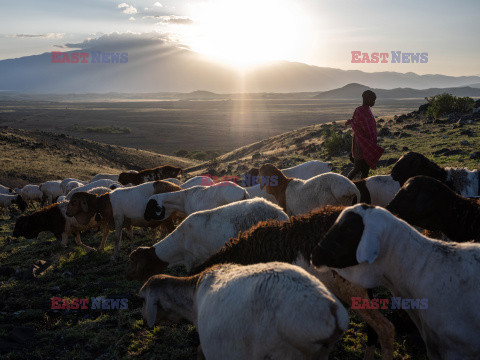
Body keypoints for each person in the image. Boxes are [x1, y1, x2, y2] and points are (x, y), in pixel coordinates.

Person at [345, 90, 384, 180]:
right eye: (373, 100)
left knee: (366, 170)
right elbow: (356, 124)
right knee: (357, 168)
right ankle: (346, 183)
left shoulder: (368, 110)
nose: (374, 102)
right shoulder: (359, 110)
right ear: (367, 99)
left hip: (368, 143)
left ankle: (362, 188)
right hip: (360, 143)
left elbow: (370, 127)